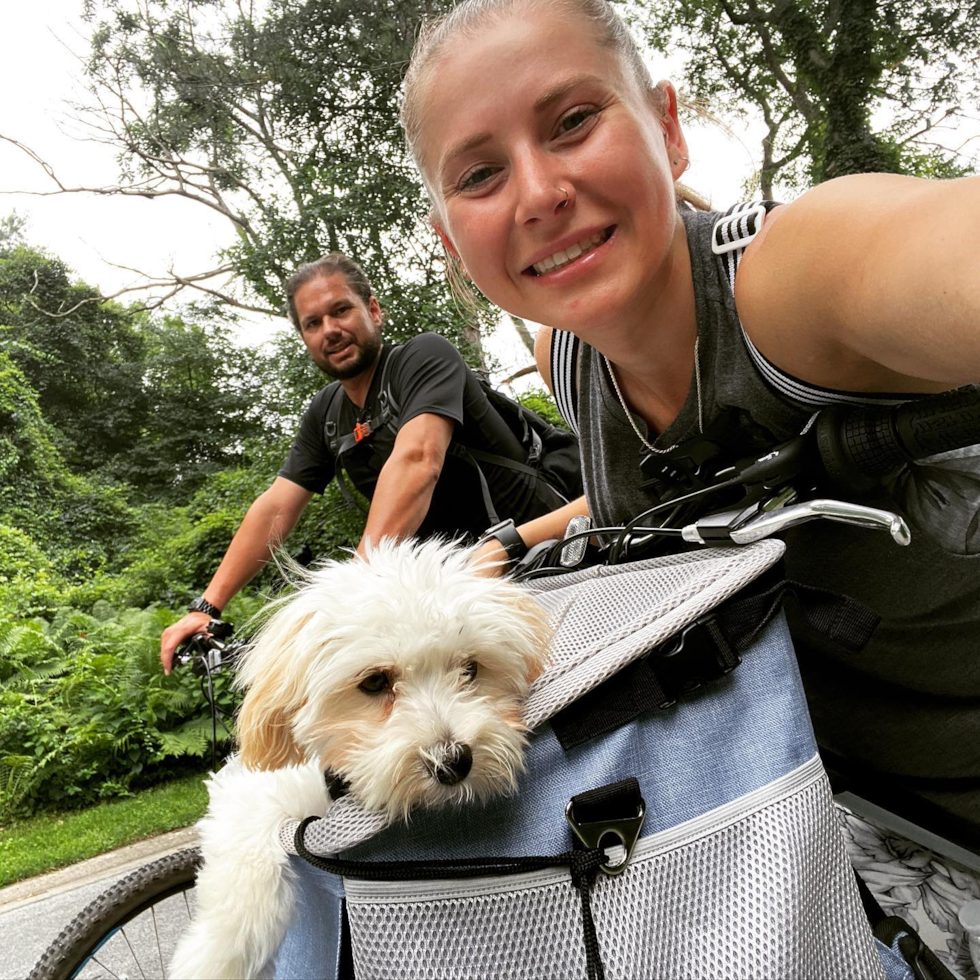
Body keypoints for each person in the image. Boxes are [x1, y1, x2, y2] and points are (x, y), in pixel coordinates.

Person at [398, 0, 980, 843]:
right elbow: (649, 498)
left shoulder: (790, 284)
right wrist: (512, 546)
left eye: (572, 121)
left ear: (666, 126)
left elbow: (936, 252)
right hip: (869, 828)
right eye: (480, 175)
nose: (539, 193)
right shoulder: (571, 356)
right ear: (451, 241)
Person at [160, 252, 579, 673]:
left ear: (373, 311)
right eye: (313, 323)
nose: (330, 330)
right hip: (458, 592)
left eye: (340, 310)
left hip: (548, 560)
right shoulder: (326, 413)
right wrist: (207, 606)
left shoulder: (422, 358)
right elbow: (277, 506)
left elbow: (417, 460)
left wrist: (353, 589)